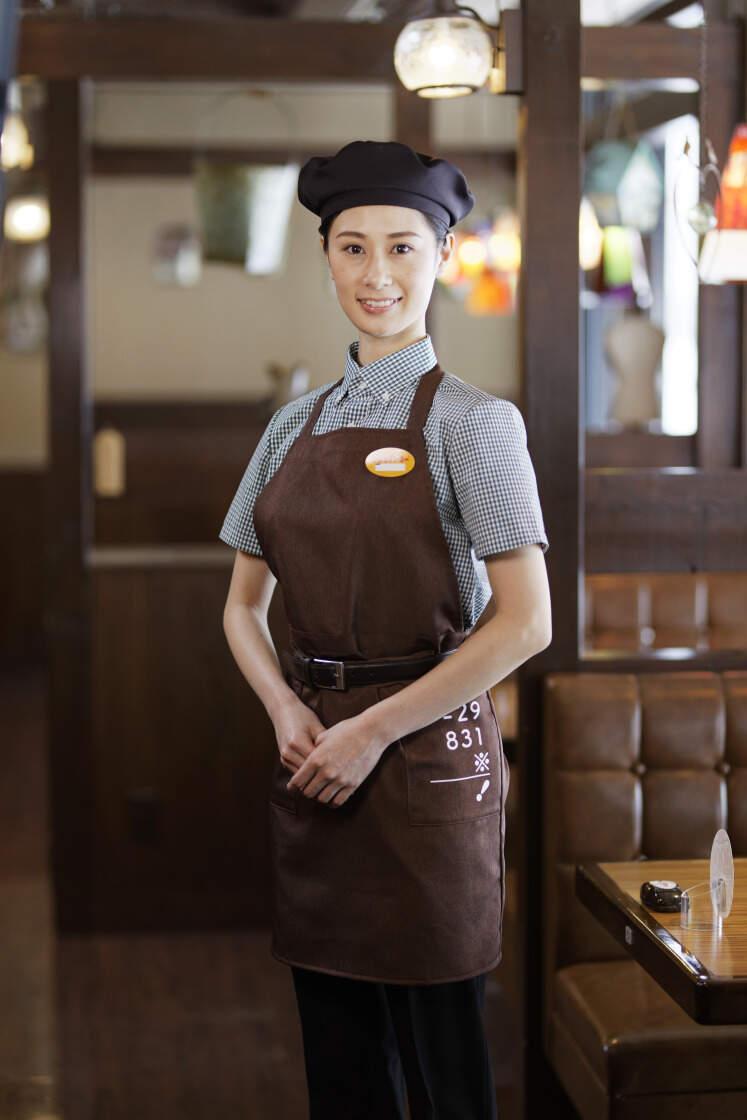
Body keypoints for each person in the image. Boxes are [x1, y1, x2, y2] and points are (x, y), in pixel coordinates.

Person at [219, 139, 552, 1120]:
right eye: (354, 248)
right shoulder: (293, 423)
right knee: (343, 1073)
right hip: (314, 757)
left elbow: (526, 622)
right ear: (327, 257)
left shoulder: (475, 424)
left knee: (444, 1075)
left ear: (443, 256)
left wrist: (374, 728)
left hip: (424, 766)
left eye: (403, 248)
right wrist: (285, 707)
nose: (377, 274)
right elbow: (241, 604)